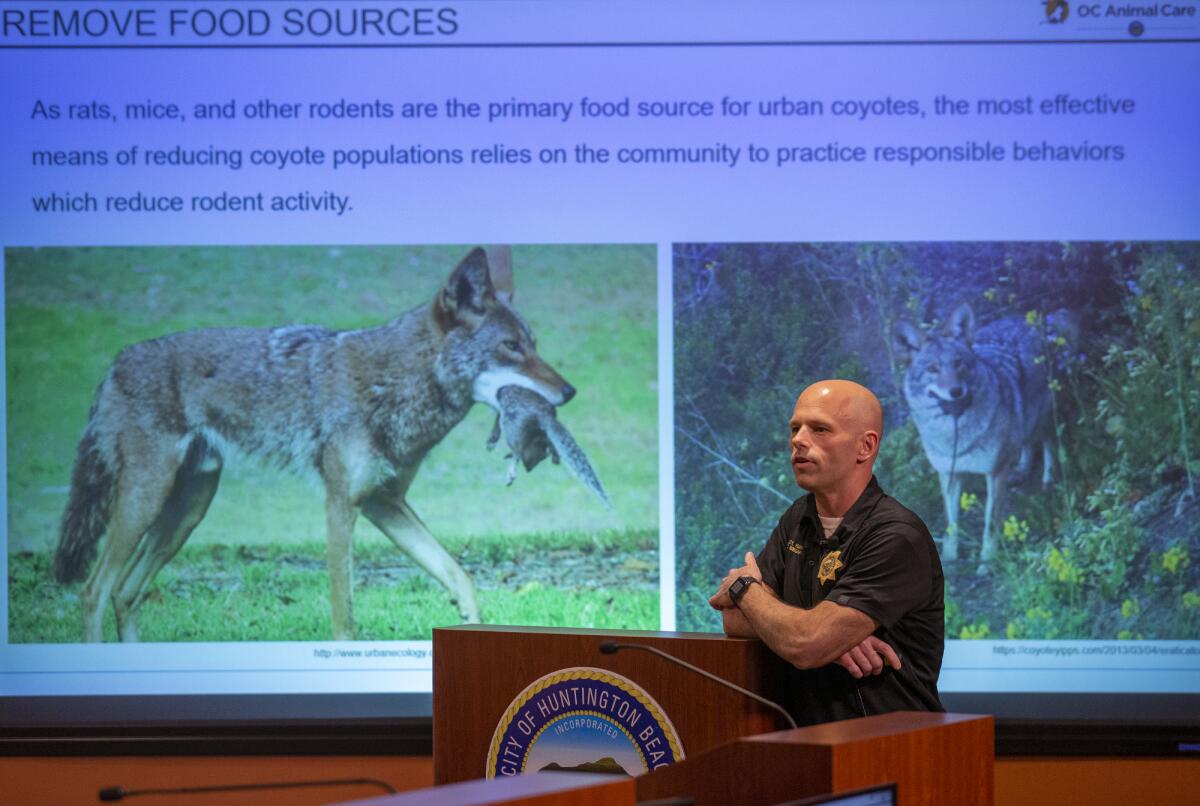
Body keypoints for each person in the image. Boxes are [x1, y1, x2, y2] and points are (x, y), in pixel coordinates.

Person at [709, 379, 944, 725]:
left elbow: (804, 643)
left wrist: (745, 587)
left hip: (888, 746)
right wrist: (829, 641)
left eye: (819, 429)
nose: (798, 440)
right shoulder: (799, 517)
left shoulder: (897, 536)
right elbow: (734, 618)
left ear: (865, 447)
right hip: (811, 743)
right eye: (795, 428)